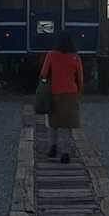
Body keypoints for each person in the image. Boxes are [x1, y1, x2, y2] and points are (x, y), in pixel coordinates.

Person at [40, 31, 84, 163]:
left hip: (54, 93)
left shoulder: (51, 55)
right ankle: (66, 154)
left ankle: (52, 148)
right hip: (70, 95)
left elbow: (43, 74)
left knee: (52, 123)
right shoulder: (75, 57)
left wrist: (45, 85)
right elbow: (80, 79)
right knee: (67, 125)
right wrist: (78, 93)